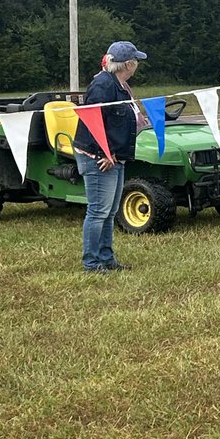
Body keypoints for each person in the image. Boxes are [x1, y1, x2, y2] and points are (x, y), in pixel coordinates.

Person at [74, 40, 148, 273]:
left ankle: (106, 258)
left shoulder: (119, 85)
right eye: (136, 61)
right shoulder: (102, 86)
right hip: (99, 158)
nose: (137, 66)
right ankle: (92, 263)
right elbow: (92, 122)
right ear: (128, 64)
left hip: (115, 156)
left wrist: (114, 154)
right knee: (98, 211)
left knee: (110, 211)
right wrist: (104, 154)